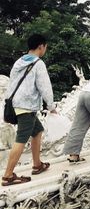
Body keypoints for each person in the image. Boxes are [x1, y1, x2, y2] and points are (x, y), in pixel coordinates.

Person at [2, 34, 56, 186]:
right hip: (26, 106)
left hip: (15, 104)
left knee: (37, 130)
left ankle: (37, 164)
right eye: (45, 47)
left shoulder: (19, 61)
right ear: (41, 46)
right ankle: (8, 175)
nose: (45, 49)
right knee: (21, 139)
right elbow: (45, 87)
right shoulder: (38, 64)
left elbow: (12, 83)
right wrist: (51, 106)